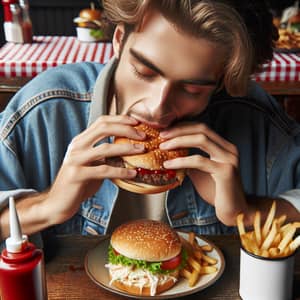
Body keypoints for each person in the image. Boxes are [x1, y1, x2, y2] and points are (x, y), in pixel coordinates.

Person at [0, 0, 299, 249]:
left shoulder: (252, 115)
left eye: (192, 89)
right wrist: (48, 206)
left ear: (219, 82)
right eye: (144, 71)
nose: (158, 107)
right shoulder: (44, 109)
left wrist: (247, 211)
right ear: (119, 40)